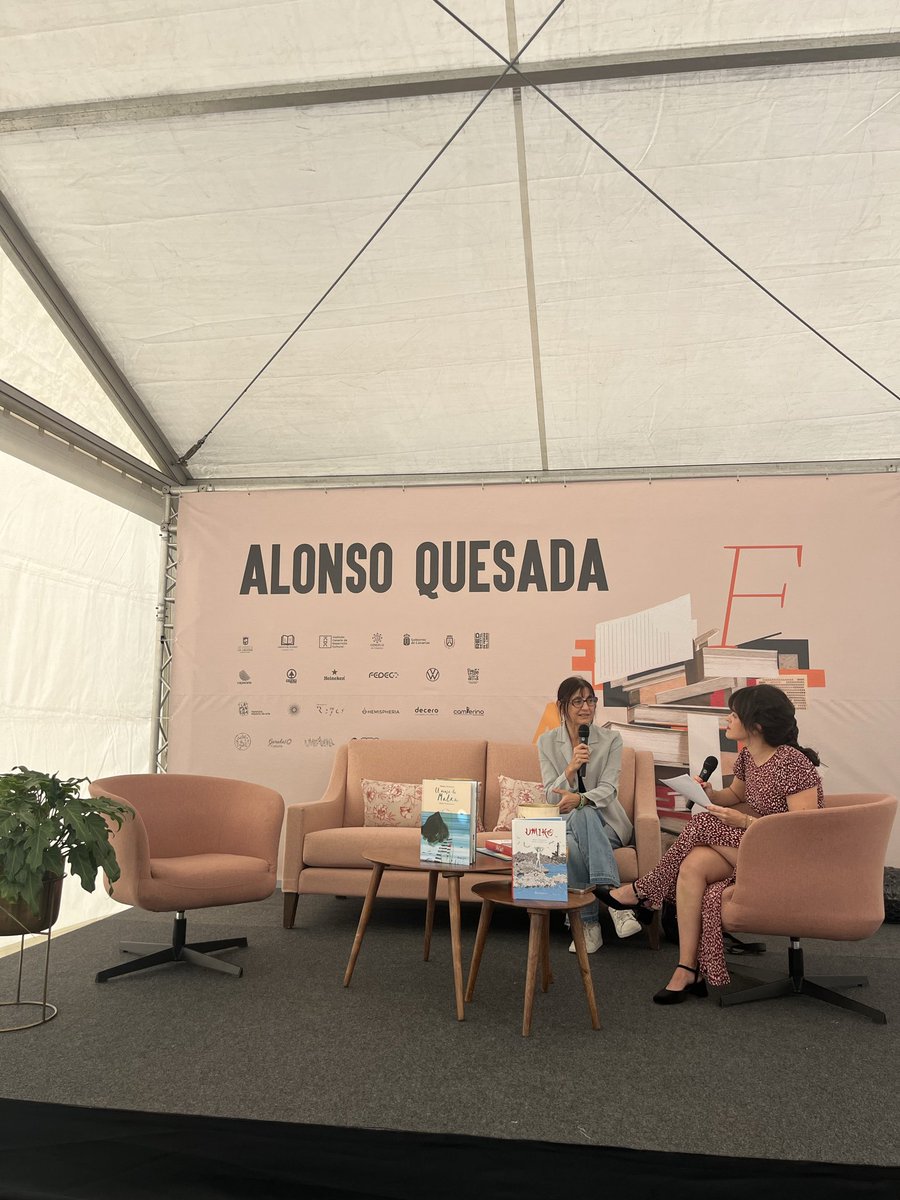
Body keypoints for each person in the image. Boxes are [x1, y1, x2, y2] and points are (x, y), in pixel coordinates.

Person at [599, 683, 823, 1003]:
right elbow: (736, 796)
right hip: (753, 849)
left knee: (704, 823)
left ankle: (644, 891)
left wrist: (744, 822)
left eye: (734, 714)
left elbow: (802, 831)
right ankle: (688, 969)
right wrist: (706, 794)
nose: (727, 719)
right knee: (693, 866)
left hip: (788, 856)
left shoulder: (791, 761)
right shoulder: (748, 756)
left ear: (756, 725)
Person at [538, 676, 646, 954]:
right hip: (566, 823)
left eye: (591, 700)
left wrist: (581, 799)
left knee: (582, 815)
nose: (586, 707)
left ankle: (587, 925)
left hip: (607, 823)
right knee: (572, 839)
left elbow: (609, 790)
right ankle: (615, 904)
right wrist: (570, 769)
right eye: (578, 701)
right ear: (563, 706)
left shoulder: (611, 739)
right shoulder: (547, 742)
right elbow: (551, 796)